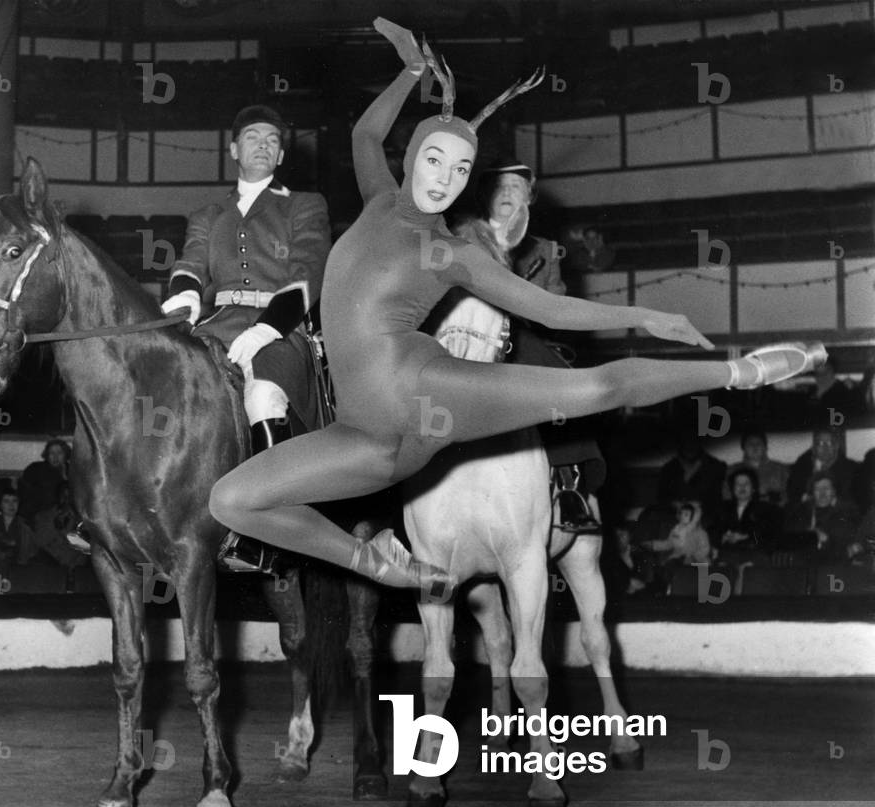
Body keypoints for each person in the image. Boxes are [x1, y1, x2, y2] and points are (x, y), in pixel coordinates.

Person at [207, 17, 827, 596]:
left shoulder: (452, 253)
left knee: (594, 389)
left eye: (462, 168)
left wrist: (643, 317)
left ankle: (743, 371)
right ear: (414, 157)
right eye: (434, 159)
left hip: (426, 395)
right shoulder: (376, 199)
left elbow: (551, 312)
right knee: (231, 501)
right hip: (361, 439)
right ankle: (380, 565)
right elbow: (365, 134)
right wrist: (409, 70)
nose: (445, 177)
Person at [163, 103, 331, 572]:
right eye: (253, 136)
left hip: (280, 329)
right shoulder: (207, 214)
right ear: (234, 148)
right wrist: (182, 304)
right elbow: (190, 267)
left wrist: (267, 328)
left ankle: (272, 528)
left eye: (272, 140)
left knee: (262, 398)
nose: (262, 144)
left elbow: (307, 273)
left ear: (280, 156)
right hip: (217, 324)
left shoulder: (304, 205)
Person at [447, 158, 604, 533]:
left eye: (516, 188)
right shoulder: (464, 238)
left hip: (522, 334)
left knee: (557, 385)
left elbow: (558, 304)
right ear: (486, 196)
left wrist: (526, 305)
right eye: (499, 187)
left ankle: (569, 485)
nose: (506, 194)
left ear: (529, 199)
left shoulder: (545, 250)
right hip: (470, 329)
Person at [783, 473, 860, 564]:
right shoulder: (803, 510)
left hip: (833, 566)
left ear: (834, 491)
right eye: (818, 489)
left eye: (826, 488)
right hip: (803, 565)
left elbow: (847, 550)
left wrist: (825, 540)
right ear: (812, 493)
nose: (822, 493)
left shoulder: (846, 513)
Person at [657, 430, 727, 529]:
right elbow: (662, 497)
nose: (689, 444)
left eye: (693, 439)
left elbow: (718, 498)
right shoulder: (669, 468)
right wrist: (675, 504)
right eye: (685, 440)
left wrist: (698, 505)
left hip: (706, 515)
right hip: (674, 515)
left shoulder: (715, 466)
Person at [715, 468, 783, 571]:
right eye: (738, 484)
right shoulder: (723, 508)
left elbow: (767, 536)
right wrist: (723, 537)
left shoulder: (766, 509)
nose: (742, 487)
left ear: (753, 488)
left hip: (754, 553)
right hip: (727, 553)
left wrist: (746, 537)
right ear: (732, 488)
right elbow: (715, 532)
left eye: (746, 484)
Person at [786, 426, 862, 509]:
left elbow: (854, 501)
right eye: (820, 443)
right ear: (814, 448)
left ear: (836, 446)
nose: (825, 447)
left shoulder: (852, 469)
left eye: (830, 443)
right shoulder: (801, 468)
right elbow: (792, 495)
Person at [724, 427, 790, 505]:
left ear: (765, 447)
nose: (754, 447)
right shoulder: (731, 471)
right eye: (750, 443)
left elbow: (791, 496)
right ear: (743, 447)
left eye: (758, 443)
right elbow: (726, 498)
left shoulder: (781, 469)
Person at [18, 438, 70, 523]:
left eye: (59, 453)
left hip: (64, 519)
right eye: (52, 453)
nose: (55, 457)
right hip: (37, 517)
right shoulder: (35, 469)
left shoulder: (73, 471)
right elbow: (23, 494)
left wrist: (65, 477)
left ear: (66, 455)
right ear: (47, 455)